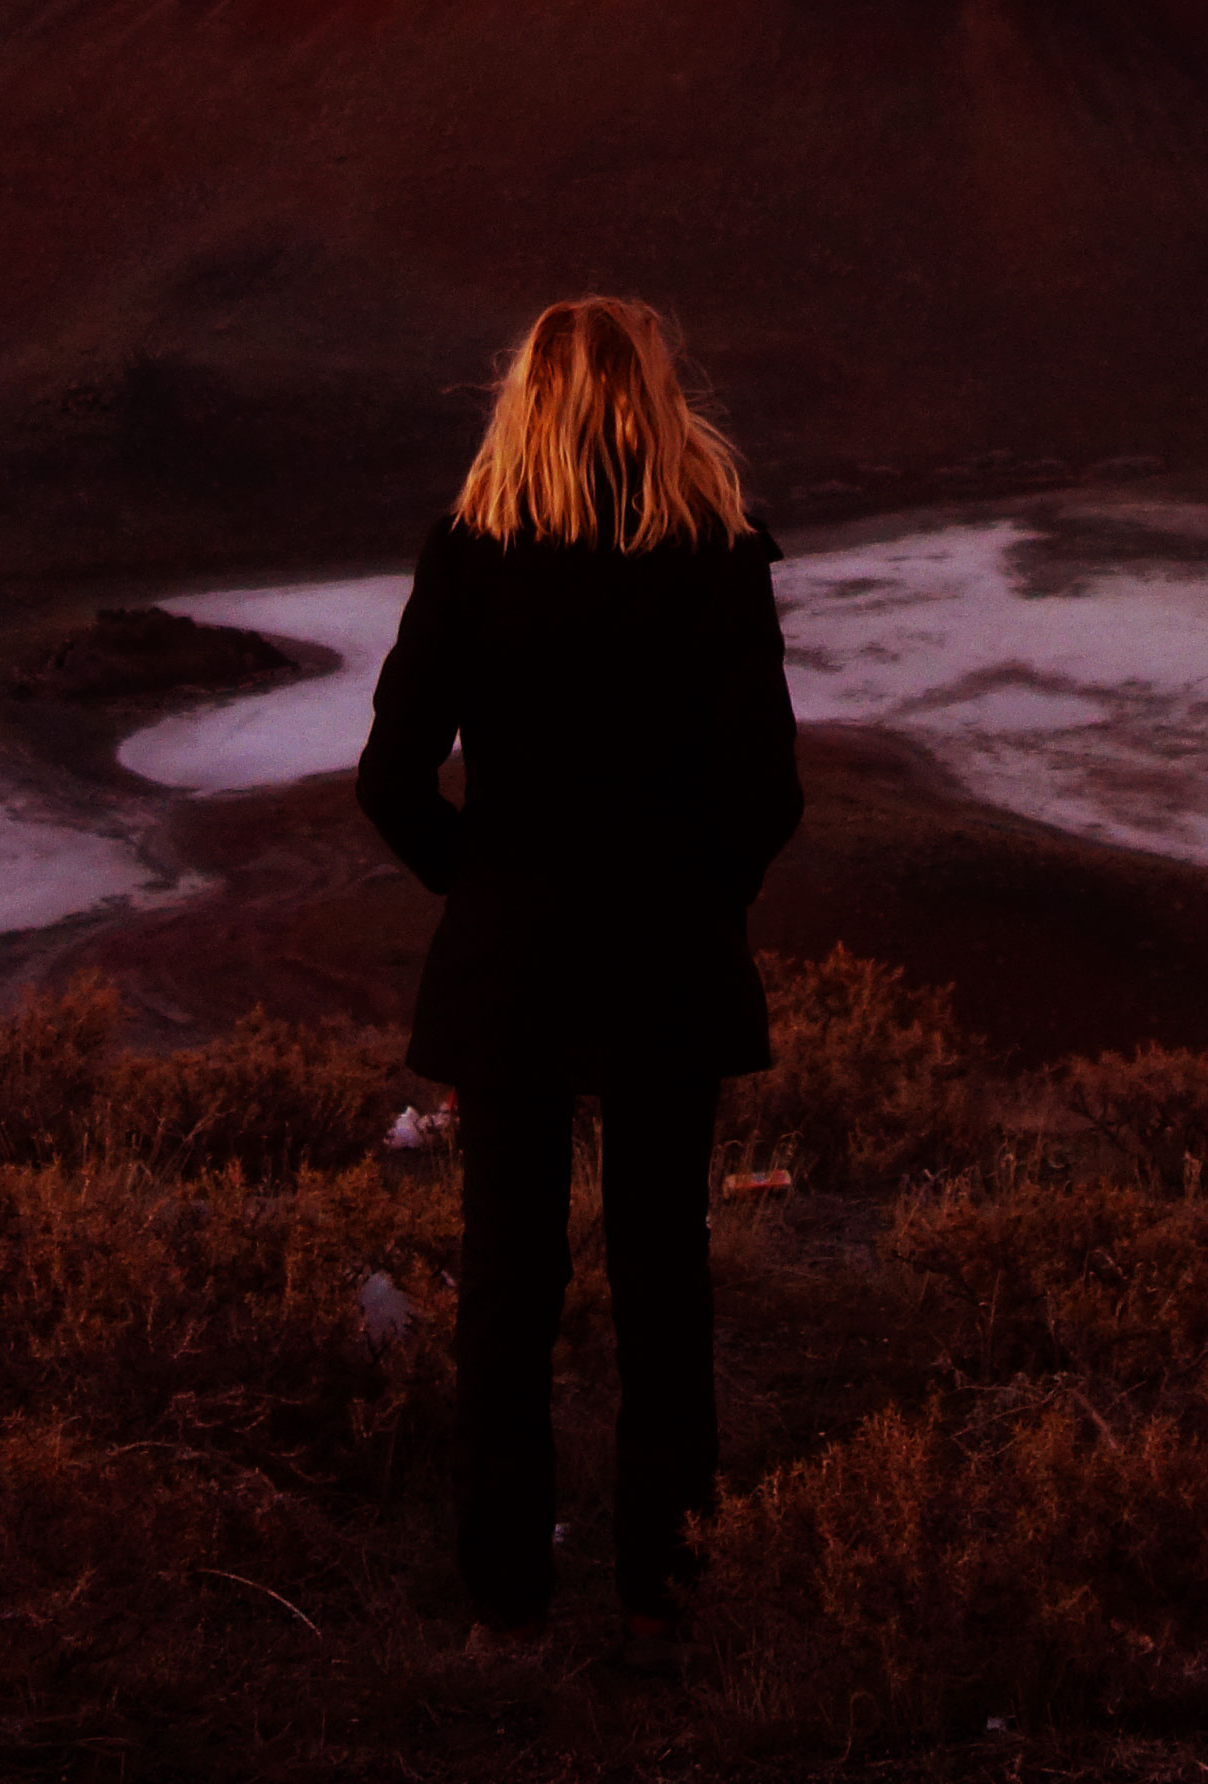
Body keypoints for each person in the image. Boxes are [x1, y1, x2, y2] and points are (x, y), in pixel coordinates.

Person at [354, 295, 802, 1653]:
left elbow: (390, 778)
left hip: (515, 967)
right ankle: (669, 1578)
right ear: (658, 398)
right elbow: (768, 795)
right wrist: (695, 899)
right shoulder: (717, 556)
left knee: (509, 1276)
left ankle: (504, 1588)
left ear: (523, 401)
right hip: (666, 959)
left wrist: (479, 884)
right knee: (666, 1266)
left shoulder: (473, 554)